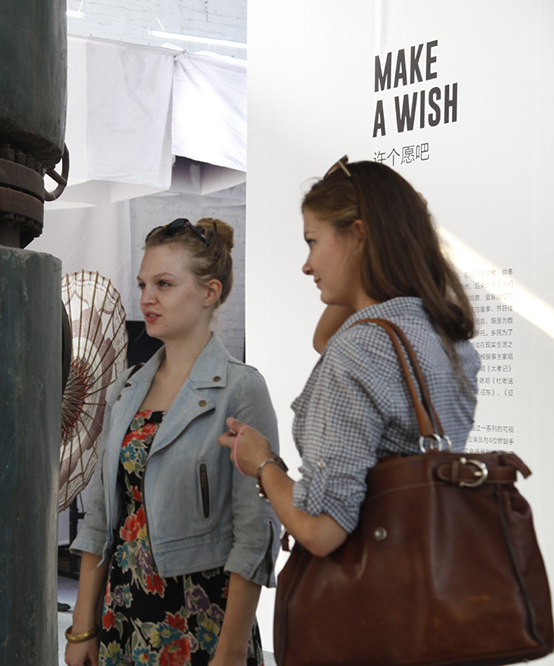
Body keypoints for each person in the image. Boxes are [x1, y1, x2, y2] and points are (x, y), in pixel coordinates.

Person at [218, 156, 479, 559]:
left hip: (373, 583)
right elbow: (323, 338)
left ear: (358, 235)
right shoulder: (446, 338)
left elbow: (321, 530)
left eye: (312, 241)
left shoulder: (359, 349)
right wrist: (394, 236)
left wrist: (263, 463)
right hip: (430, 566)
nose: (306, 265)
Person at [66, 218, 281, 666]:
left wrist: (231, 650)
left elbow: (255, 533)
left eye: (163, 284)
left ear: (209, 292)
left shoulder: (241, 389)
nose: (147, 298)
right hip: (122, 616)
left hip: (201, 620)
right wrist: (83, 627)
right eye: (143, 284)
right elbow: (101, 519)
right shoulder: (126, 388)